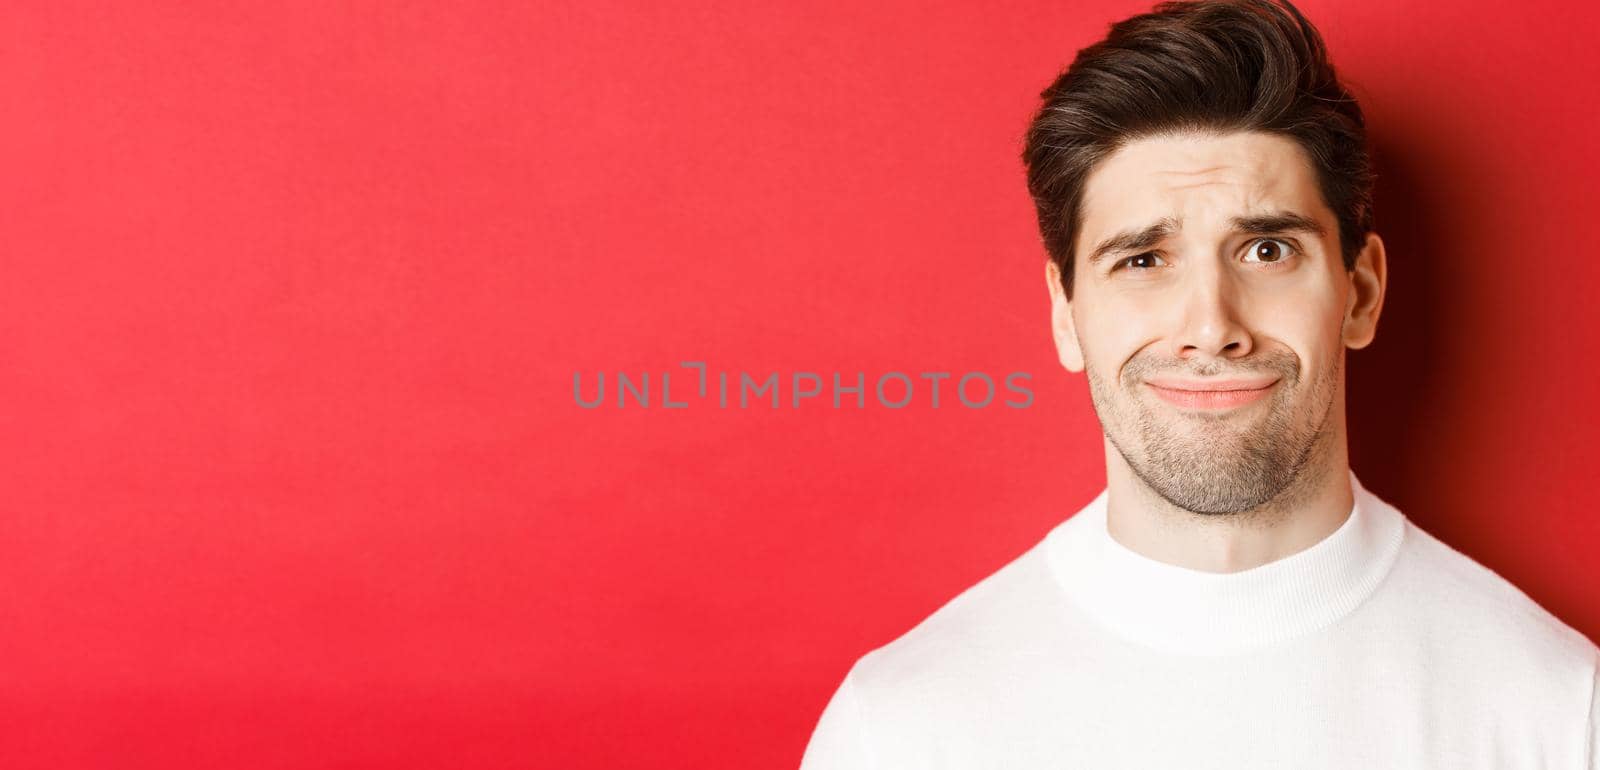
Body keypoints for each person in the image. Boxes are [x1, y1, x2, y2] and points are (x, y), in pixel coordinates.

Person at [797, 0, 1600, 766]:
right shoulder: (900, 731)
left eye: (1267, 251)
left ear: (1361, 292)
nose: (1211, 325)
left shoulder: (1560, 713)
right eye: (1143, 261)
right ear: (1066, 317)